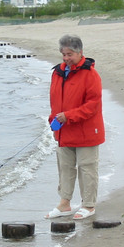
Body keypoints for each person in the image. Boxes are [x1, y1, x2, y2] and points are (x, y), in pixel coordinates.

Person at [45, 34, 105, 220]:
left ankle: (88, 205)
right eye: (63, 54)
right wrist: (53, 119)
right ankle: (65, 203)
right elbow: (55, 101)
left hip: (86, 130)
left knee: (87, 167)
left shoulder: (91, 74)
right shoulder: (57, 72)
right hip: (63, 130)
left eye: (69, 54)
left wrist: (68, 116)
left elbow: (92, 105)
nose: (65, 58)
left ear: (80, 53)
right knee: (65, 167)